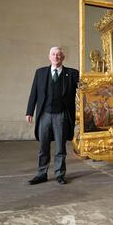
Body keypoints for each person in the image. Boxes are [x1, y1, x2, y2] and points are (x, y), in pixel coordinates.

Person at [26, 47, 79, 185]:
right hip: (44, 115)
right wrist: (29, 112)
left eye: (59, 55)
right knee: (43, 146)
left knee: (60, 147)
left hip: (61, 115)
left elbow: (85, 88)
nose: (56, 57)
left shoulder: (72, 74)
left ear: (63, 57)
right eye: (53, 54)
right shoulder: (40, 73)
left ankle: (60, 174)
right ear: (49, 56)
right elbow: (34, 94)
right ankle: (41, 174)